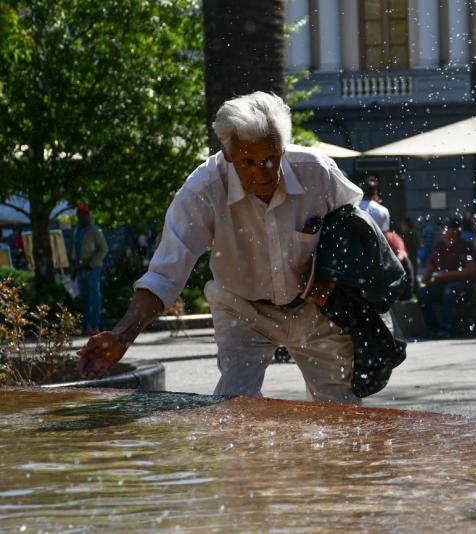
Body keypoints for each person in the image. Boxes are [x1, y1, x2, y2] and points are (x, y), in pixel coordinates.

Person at [76, 92, 368, 403]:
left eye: (271, 158)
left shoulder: (317, 171)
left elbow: (355, 227)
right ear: (228, 155)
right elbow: (165, 274)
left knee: (342, 408)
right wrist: (122, 335)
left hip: (313, 308)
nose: (263, 173)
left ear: (282, 148)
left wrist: (331, 276)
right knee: (235, 404)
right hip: (241, 309)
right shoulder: (202, 190)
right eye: (248, 162)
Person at [418, 217, 476, 337]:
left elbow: (471, 271)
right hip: (442, 285)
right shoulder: (439, 248)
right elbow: (429, 270)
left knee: (450, 289)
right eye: (441, 228)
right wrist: (426, 279)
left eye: (445, 228)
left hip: (462, 287)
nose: (441, 231)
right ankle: (432, 328)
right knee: (422, 292)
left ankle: (446, 328)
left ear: (454, 231)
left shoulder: (466, 247)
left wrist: (446, 275)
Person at [71, 204, 109, 335]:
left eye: (85, 214)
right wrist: (74, 267)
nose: (83, 217)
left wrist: (92, 263)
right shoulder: (77, 230)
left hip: (93, 269)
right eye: (80, 215)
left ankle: (94, 325)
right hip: (80, 269)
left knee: (94, 298)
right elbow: (75, 249)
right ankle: (86, 325)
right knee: (84, 299)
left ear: (88, 215)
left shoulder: (95, 230)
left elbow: (104, 249)